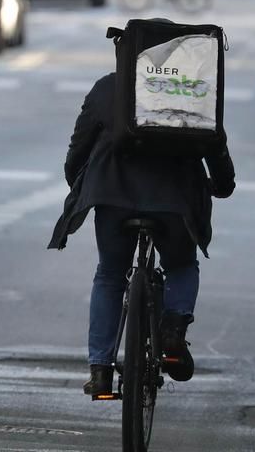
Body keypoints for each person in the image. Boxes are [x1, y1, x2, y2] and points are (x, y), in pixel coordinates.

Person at [48, 56, 236, 398]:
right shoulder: (192, 88)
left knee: (109, 274)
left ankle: (101, 371)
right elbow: (214, 142)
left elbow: (79, 145)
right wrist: (223, 184)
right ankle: (174, 333)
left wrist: (77, 181)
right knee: (180, 265)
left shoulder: (110, 86)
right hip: (174, 202)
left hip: (112, 195)